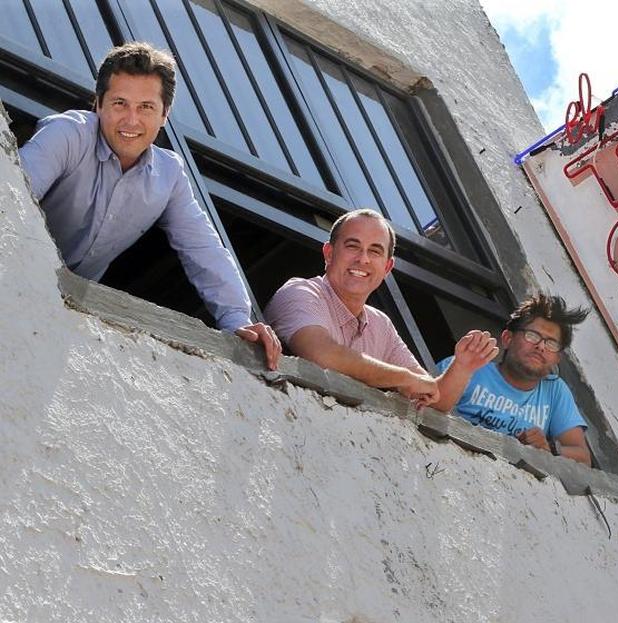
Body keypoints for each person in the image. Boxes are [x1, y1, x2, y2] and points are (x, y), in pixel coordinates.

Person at [18, 42, 280, 369]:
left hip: (62, 313)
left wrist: (237, 319)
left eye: (146, 107)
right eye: (120, 103)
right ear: (98, 104)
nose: (131, 120)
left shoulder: (170, 175)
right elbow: (11, 196)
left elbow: (203, 248)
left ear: (164, 115)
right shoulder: (68, 133)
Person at [264, 208, 497, 407]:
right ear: (329, 253)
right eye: (353, 246)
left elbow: (431, 399)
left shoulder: (381, 325)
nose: (363, 259)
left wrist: (462, 367)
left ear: (387, 268)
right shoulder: (301, 292)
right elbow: (321, 355)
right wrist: (404, 377)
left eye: (375, 251)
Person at [438, 294, 592, 465]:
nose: (541, 346)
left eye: (551, 344)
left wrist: (549, 448)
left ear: (557, 359)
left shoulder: (555, 391)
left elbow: (583, 458)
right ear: (507, 339)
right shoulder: (466, 365)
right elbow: (425, 405)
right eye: (532, 335)